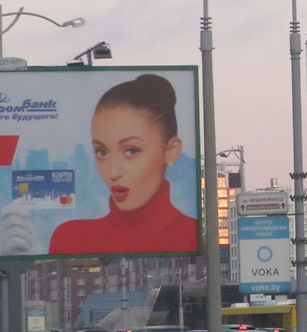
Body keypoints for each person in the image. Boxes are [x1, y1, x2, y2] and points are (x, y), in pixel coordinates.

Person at [48, 73, 197, 254]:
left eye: (131, 151)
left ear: (171, 150)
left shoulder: (193, 236)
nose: (113, 171)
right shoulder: (70, 237)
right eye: (102, 152)